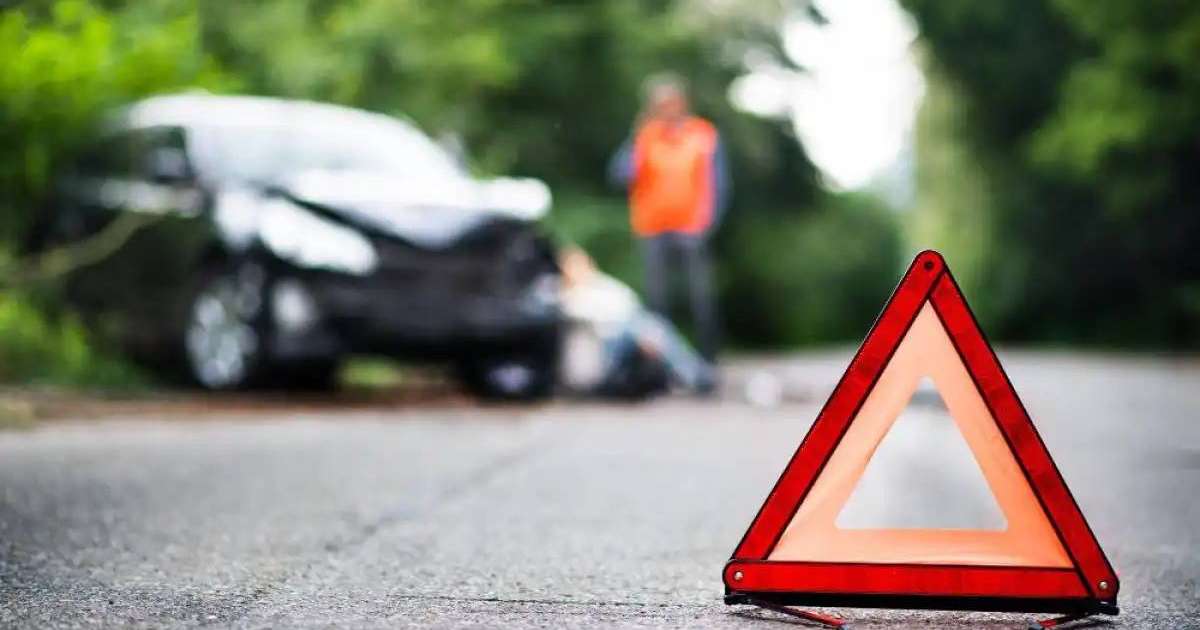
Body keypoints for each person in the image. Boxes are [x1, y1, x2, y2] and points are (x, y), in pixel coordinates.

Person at [608, 73, 730, 361]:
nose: (666, 109)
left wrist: (708, 222)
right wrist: (636, 138)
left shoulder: (703, 134)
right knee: (657, 302)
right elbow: (620, 174)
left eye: (671, 102)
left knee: (701, 298)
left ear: (683, 102)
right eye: (660, 104)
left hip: (691, 227)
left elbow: (719, 182)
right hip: (652, 227)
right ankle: (663, 364)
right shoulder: (645, 136)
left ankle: (708, 360)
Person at [557, 246, 714, 398]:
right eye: (572, 266)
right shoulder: (565, 295)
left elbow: (630, 305)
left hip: (629, 330)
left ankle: (693, 374)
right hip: (607, 343)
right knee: (649, 328)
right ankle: (695, 375)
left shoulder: (603, 284)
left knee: (652, 325)